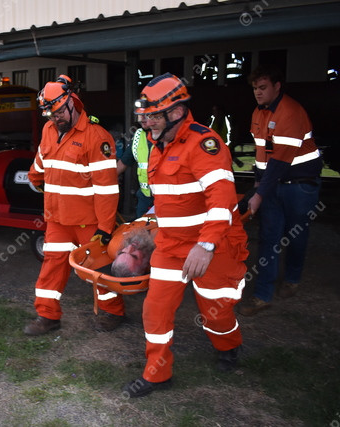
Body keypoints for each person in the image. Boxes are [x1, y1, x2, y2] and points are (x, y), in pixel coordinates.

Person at [121, 73, 249, 398]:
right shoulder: (156, 146)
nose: (145, 123)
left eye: (153, 116)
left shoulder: (205, 145)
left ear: (176, 112)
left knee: (215, 312)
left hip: (213, 246)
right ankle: (157, 373)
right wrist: (145, 222)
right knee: (155, 309)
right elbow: (165, 199)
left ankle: (228, 345)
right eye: (143, 116)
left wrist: (205, 245)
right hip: (171, 246)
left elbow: (222, 201)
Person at [24, 75, 122, 335]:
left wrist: (105, 228)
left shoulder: (96, 137)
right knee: (51, 267)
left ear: (71, 102)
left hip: (88, 222)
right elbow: (40, 165)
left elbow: (107, 189)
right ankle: (47, 316)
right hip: (57, 219)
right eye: (49, 115)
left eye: (58, 113)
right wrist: (36, 180)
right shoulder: (49, 130)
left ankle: (113, 312)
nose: (55, 119)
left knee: (98, 269)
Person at [238, 65, 323, 316]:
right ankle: (262, 295)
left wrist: (259, 194)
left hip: (300, 186)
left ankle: (292, 279)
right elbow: (262, 154)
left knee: (296, 235)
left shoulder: (291, 112)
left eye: (263, 87)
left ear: (277, 86)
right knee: (269, 238)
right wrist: (258, 184)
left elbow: (280, 161)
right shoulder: (258, 113)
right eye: (255, 88)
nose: (258, 92)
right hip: (273, 186)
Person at [117, 118, 155, 217]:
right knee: (141, 225)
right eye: (140, 115)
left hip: (166, 198)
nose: (142, 119)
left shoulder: (169, 135)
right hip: (145, 198)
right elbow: (124, 162)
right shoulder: (139, 135)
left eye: (147, 115)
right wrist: (104, 179)